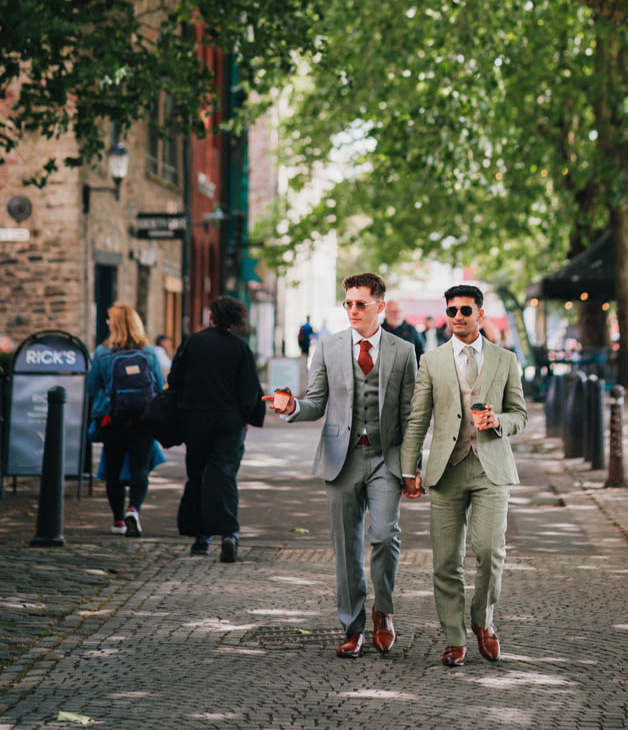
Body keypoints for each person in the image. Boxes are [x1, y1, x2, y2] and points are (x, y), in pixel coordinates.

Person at [266, 272, 417, 658]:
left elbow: (412, 415)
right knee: (346, 546)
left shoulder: (402, 351)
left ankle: (383, 611)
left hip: (386, 456)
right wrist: (293, 406)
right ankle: (352, 627)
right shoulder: (328, 348)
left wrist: (412, 466)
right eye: (347, 303)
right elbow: (315, 401)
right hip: (341, 458)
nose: (352, 310)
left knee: (384, 535)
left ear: (379, 306)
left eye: (360, 303)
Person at [400, 284, 527, 668]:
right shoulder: (432, 361)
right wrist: (410, 468)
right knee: (445, 561)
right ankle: (455, 638)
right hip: (446, 470)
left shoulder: (505, 360)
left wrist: (498, 420)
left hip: (490, 466)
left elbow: (520, 414)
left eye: (465, 311)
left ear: (480, 315)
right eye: (452, 311)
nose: (457, 317)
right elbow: (419, 418)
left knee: (490, 552)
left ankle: (483, 621)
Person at [169, 295, 264, 563]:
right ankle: (228, 533)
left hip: (195, 417)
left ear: (211, 316)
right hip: (229, 420)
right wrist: (247, 416)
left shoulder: (192, 343)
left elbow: (175, 378)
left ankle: (201, 538)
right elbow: (250, 388)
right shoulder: (240, 348)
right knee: (223, 473)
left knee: (197, 473)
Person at [87, 304, 165, 538]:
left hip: (113, 419)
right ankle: (134, 509)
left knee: (112, 468)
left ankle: (118, 520)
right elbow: (159, 386)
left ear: (115, 324)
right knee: (140, 467)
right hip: (142, 418)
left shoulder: (102, 352)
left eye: (110, 320)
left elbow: (92, 388)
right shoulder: (148, 352)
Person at [383, 299, 426, 364]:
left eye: (399, 311)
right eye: (393, 311)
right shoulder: (379, 330)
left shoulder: (412, 330)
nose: (396, 314)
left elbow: (420, 353)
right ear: (386, 313)